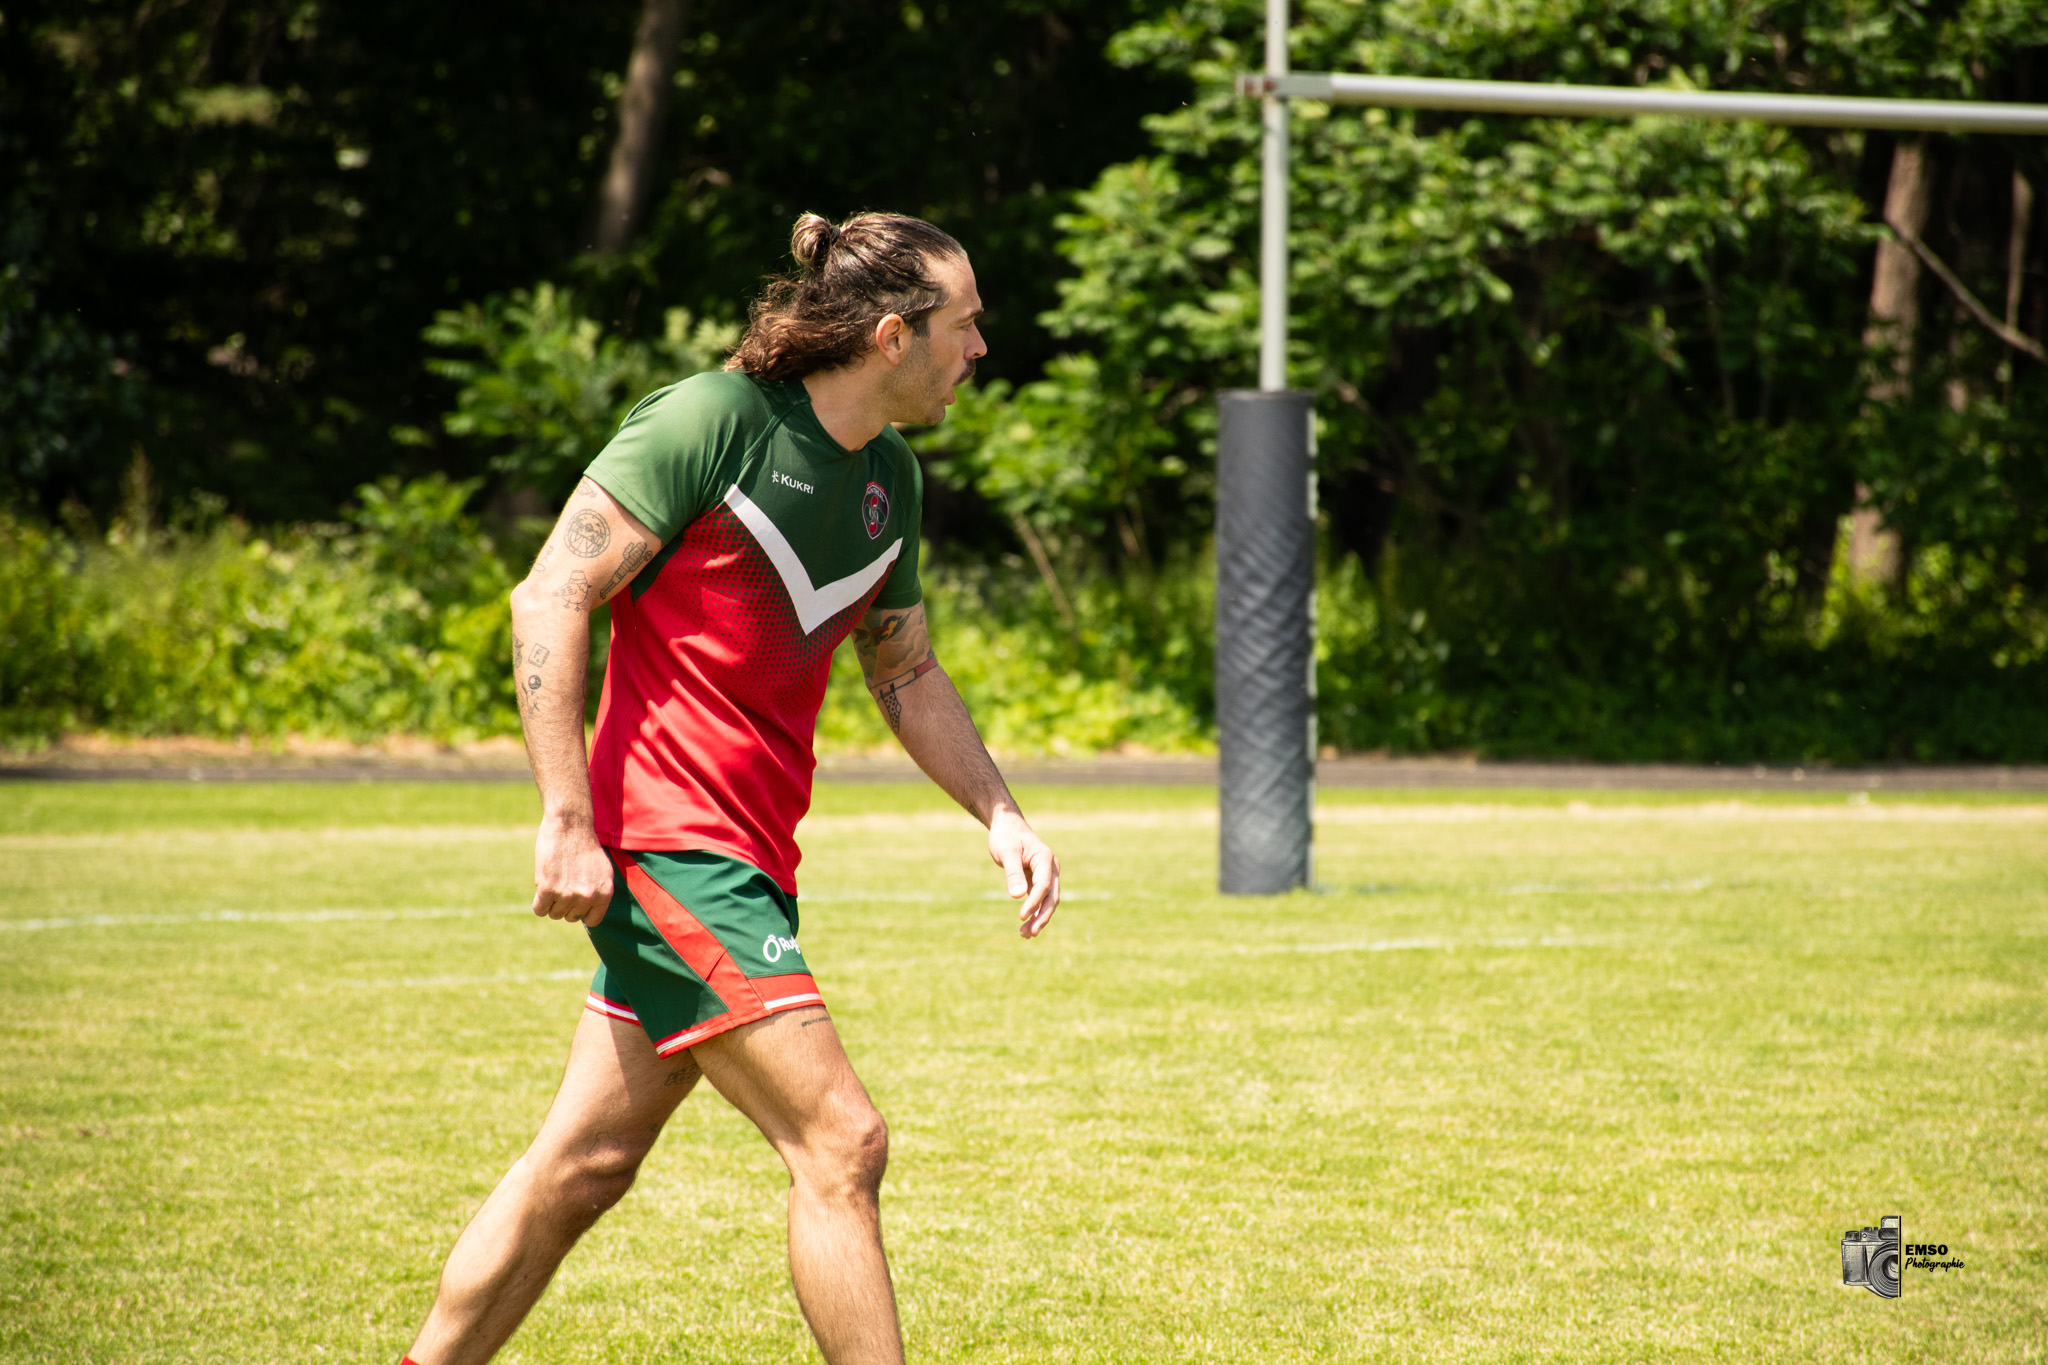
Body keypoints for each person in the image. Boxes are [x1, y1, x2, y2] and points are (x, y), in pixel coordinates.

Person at [402, 211, 1061, 1365]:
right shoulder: (711, 421)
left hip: (748, 860)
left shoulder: (889, 478)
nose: (979, 349)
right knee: (841, 1142)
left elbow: (903, 668)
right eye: (964, 325)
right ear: (892, 336)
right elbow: (549, 594)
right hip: (666, 848)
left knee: (584, 1165)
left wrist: (999, 812)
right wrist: (567, 820)